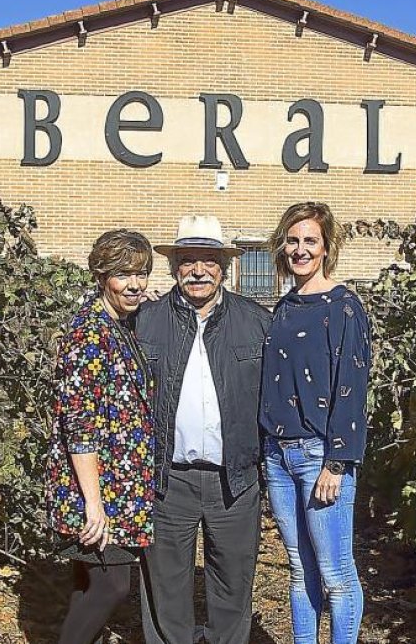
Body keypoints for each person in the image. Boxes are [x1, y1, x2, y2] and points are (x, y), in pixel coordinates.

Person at [135, 214, 272, 644]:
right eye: (188, 260)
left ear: (224, 267)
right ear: (175, 265)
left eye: (208, 261)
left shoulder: (256, 322)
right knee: (165, 585)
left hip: (234, 478)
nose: (197, 271)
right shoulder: (144, 321)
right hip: (167, 479)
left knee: (233, 585)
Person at [260, 202, 371, 644]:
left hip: (318, 456)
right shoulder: (285, 306)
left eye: (310, 241)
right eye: (292, 240)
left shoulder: (343, 306)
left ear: (326, 248)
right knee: (298, 567)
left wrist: (337, 462)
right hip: (278, 455)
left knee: (337, 573)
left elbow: (353, 383)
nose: (300, 249)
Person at [48, 229, 156, 644]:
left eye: (141, 273)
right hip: (95, 489)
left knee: (87, 587)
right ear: (100, 275)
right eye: (123, 274)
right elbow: (79, 424)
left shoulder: (118, 326)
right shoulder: (89, 333)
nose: (135, 284)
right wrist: (94, 504)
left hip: (116, 486)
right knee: (113, 586)